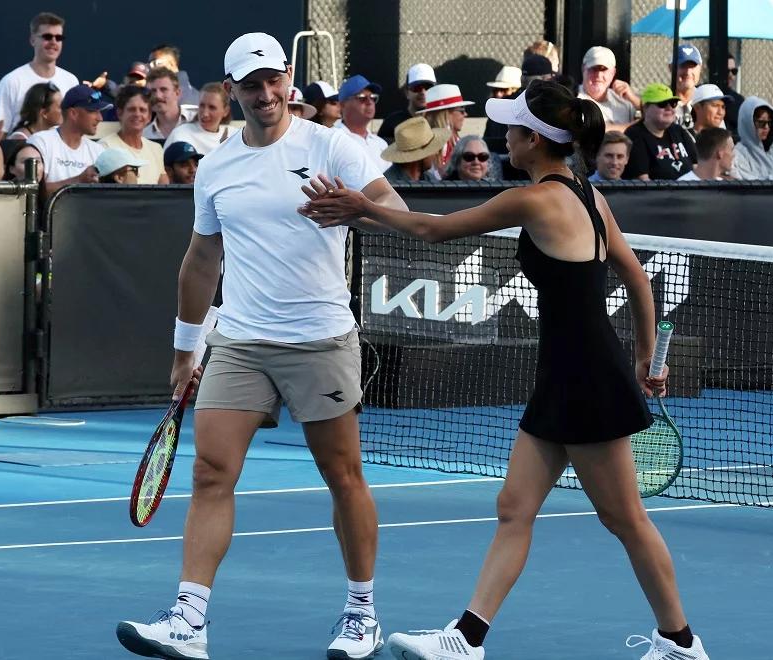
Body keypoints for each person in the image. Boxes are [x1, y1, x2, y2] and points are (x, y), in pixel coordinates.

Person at [298, 78, 709, 660]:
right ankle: (467, 638)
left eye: (512, 129)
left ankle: (681, 643)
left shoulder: (535, 198)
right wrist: (645, 357)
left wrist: (362, 206)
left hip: (586, 378)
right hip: (572, 372)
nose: (503, 137)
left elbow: (433, 230)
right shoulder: (591, 196)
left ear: (534, 140)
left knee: (626, 519)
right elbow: (638, 280)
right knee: (514, 509)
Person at [114, 31, 408, 660]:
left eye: (274, 80)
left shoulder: (332, 146)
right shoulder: (217, 165)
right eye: (252, 85)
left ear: (288, 81)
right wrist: (183, 348)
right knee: (210, 472)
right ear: (232, 93)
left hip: (320, 340)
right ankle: (189, 619)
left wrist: (355, 206)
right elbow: (202, 258)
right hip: (241, 341)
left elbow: (395, 208)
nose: (266, 93)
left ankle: (363, 613)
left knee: (343, 476)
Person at [0, 12, 79, 129]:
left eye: (58, 38)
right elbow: (0, 134)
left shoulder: (71, 81)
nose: (53, 42)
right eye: (47, 37)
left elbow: (76, 128)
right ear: (32, 40)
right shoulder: (11, 82)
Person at [27, 84, 110, 194]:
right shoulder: (41, 142)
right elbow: (31, 190)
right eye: (93, 111)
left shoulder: (98, 151)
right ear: (73, 113)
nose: (100, 118)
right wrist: (78, 180)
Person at [623, 84, 697, 181]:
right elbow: (643, 181)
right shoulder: (634, 135)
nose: (669, 108)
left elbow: (697, 167)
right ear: (645, 108)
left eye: (673, 103)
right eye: (662, 104)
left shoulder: (678, 130)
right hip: (657, 195)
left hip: (690, 192)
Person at [100, 86, 168, 184]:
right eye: (132, 109)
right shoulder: (105, 146)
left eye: (142, 110)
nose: (137, 114)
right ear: (119, 113)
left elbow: (164, 188)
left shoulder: (156, 149)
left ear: (149, 117)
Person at [334, 74, 390, 173]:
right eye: (362, 97)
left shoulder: (381, 144)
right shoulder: (333, 139)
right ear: (343, 105)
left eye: (373, 97)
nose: (369, 102)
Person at [577, 46, 639, 132]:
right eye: (594, 69)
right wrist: (636, 126)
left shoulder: (624, 101)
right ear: (583, 69)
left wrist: (634, 99)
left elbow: (655, 118)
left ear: (613, 72)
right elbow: (595, 131)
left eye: (604, 70)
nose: (598, 75)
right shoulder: (573, 98)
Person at [416, 83, 473, 171]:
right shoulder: (424, 144)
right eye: (461, 110)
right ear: (446, 114)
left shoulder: (458, 142)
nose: (465, 114)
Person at [166, 82, 231, 155]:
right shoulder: (180, 134)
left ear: (225, 111)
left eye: (212, 107)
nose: (205, 113)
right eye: (202, 106)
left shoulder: (234, 135)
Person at [378, 63, 436, 143]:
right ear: (407, 92)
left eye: (428, 87)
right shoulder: (392, 122)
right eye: (417, 88)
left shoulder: (440, 121)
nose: (423, 92)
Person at [380, 116, 449, 183]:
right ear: (420, 156)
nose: (436, 152)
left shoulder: (429, 179)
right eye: (431, 149)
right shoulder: (388, 184)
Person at [145, 67, 184, 141]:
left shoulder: (196, 119)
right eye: (153, 91)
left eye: (163, 90)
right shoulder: (144, 135)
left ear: (177, 93)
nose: (158, 96)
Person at [671, 44, 703, 131]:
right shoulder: (662, 102)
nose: (688, 71)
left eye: (693, 66)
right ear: (671, 68)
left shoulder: (706, 100)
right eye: (683, 66)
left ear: (700, 69)